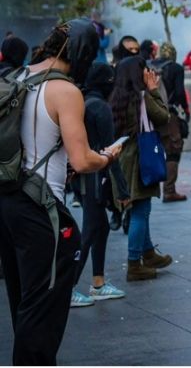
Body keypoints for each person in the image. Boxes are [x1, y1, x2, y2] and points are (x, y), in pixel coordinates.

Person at [0, 19, 120, 365]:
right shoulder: (65, 91)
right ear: (83, 52)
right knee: (43, 307)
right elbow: (82, 161)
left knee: (23, 298)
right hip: (40, 208)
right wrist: (108, 156)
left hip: (7, 199)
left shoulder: (15, 76)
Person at [110, 56, 175, 282]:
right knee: (140, 211)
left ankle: (148, 253)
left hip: (123, 160)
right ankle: (134, 264)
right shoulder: (142, 98)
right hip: (140, 160)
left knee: (139, 206)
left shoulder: (117, 98)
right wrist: (154, 90)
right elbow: (164, 116)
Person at [70, 63, 129, 308]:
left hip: (80, 175)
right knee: (92, 229)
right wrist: (123, 189)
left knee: (100, 227)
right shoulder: (101, 108)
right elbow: (108, 151)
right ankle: (69, 287)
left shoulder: (81, 102)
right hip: (93, 175)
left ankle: (98, 283)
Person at [151, 43, 189, 203]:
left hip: (150, 112)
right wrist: (184, 111)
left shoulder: (149, 65)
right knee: (173, 149)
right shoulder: (176, 68)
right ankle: (169, 190)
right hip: (169, 114)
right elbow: (179, 92)